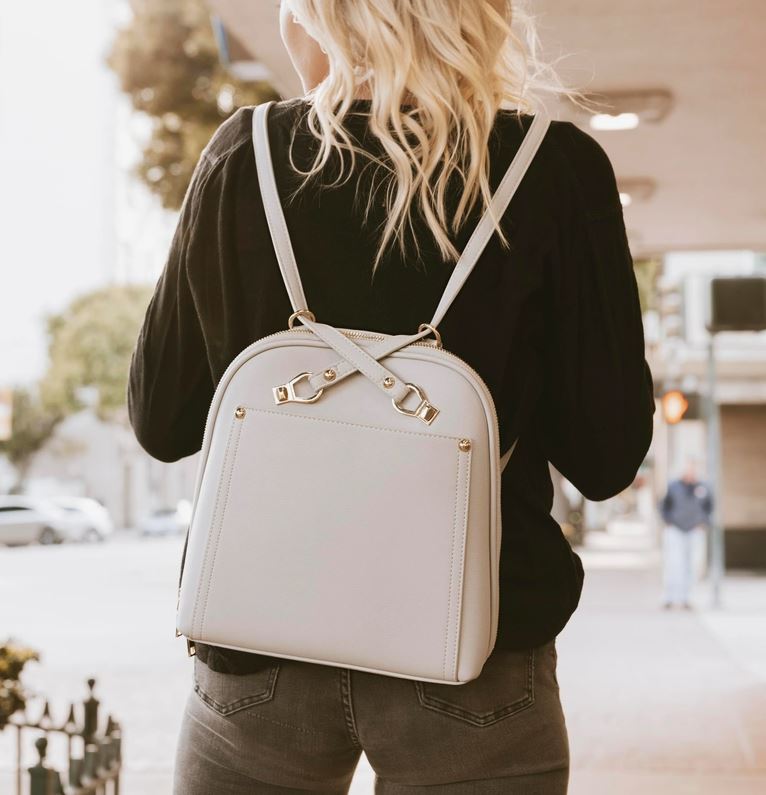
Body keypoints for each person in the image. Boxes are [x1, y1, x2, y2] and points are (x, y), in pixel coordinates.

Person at [127, 1, 655, 792]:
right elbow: (607, 455)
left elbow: (162, 421)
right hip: (473, 648)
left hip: (261, 642)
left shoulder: (246, 156)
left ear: (316, 16)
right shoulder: (552, 170)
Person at [659, 458, 714, 610]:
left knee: (691, 566)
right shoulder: (673, 486)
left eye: (693, 470)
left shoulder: (703, 487)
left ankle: (686, 598)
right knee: (673, 564)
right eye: (688, 470)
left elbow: (709, 508)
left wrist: (703, 523)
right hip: (675, 530)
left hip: (694, 531)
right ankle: (669, 597)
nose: (690, 473)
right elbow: (664, 506)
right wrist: (668, 522)